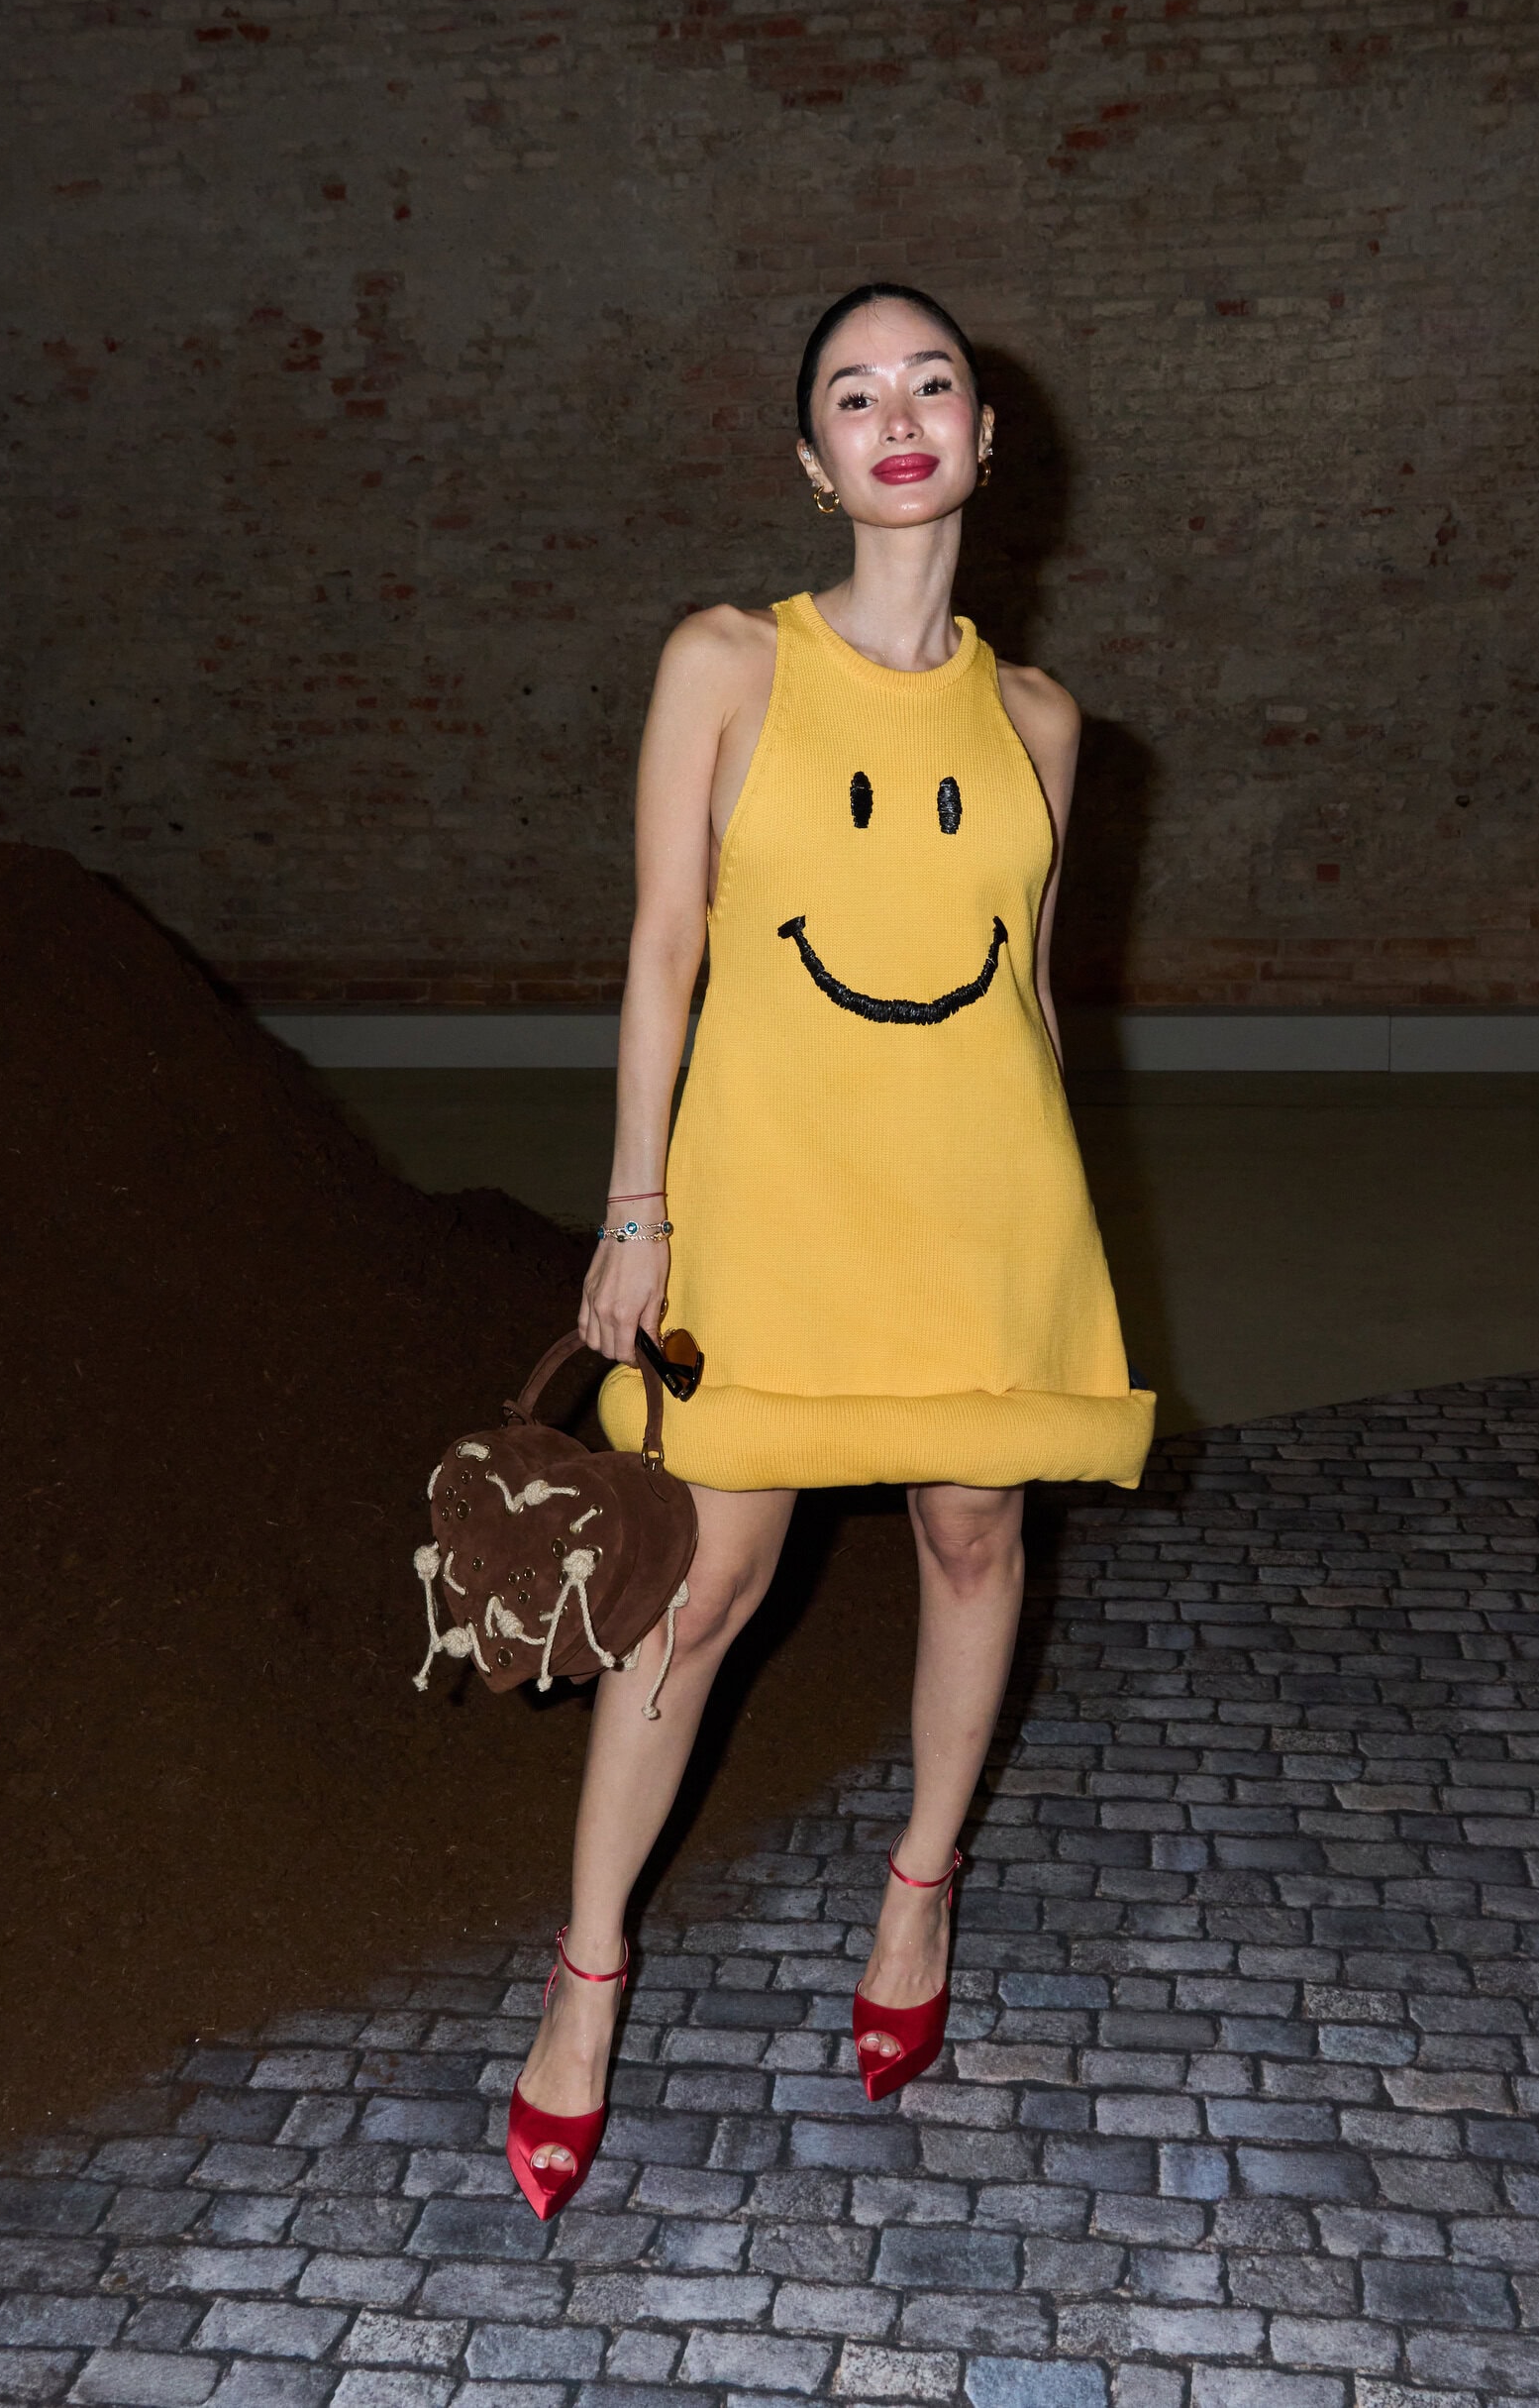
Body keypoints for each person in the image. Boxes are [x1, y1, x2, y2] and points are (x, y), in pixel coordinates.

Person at [504, 282, 1154, 2218]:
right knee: (698, 1590)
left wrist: (1057, 1247)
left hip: (977, 1200)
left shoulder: (1039, 723)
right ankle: (585, 1971)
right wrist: (636, 1207)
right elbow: (663, 946)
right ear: (813, 461)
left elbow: (1027, 996)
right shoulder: (725, 661)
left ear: (982, 437)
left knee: (973, 1536)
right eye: (852, 394)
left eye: (928, 383)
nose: (896, 413)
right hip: (767, 1193)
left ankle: (918, 1889)